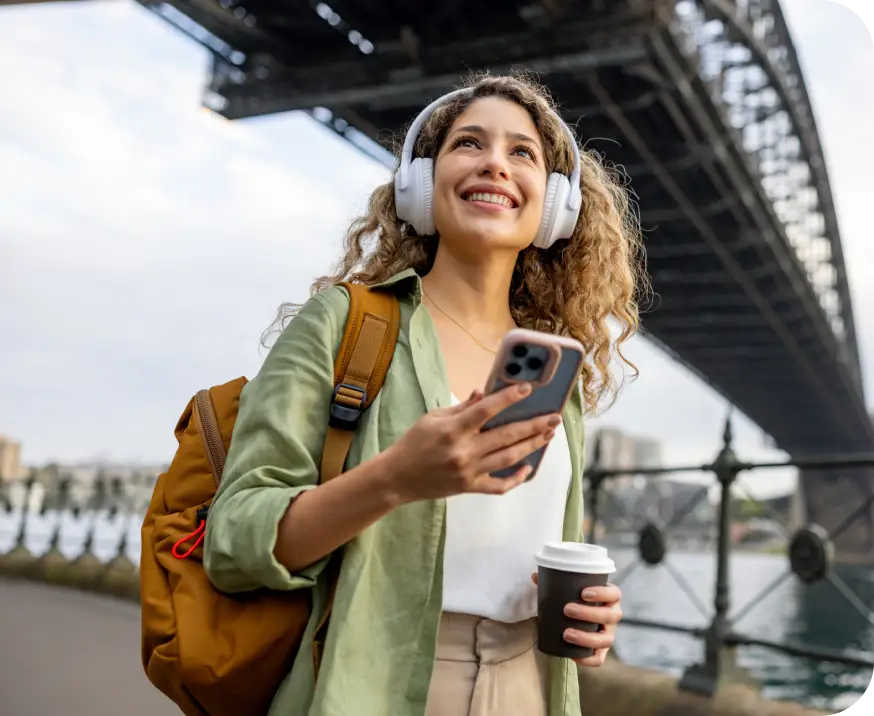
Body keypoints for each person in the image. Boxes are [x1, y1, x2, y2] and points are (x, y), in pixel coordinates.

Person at [203, 72, 646, 716]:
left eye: (522, 152)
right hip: (374, 684)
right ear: (420, 185)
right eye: (469, 143)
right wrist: (395, 478)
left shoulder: (555, 374)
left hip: (532, 686)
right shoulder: (343, 323)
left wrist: (590, 618)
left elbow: (539, 555)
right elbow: (233, 543)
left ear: (554, 204)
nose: (495, 162)